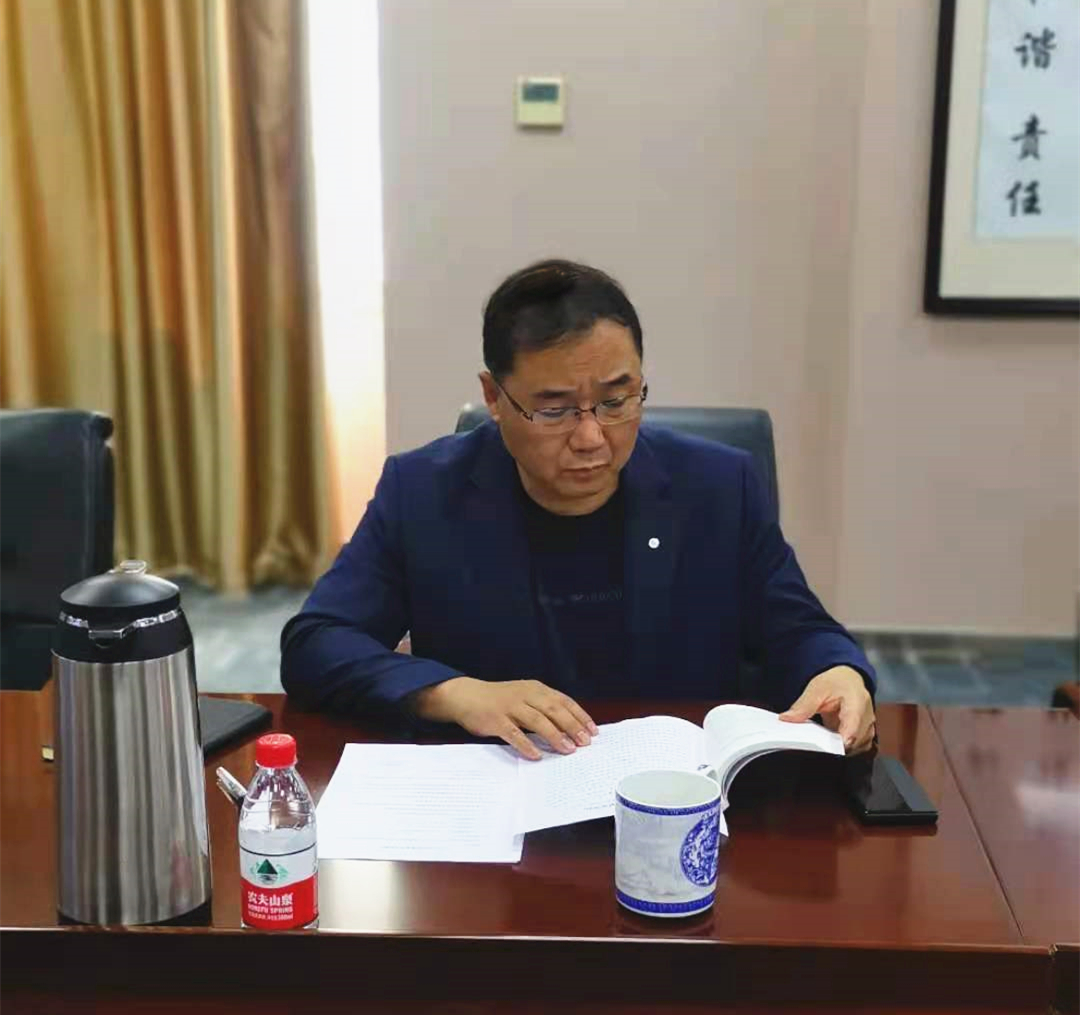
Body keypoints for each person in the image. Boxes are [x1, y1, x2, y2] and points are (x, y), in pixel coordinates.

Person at [281, 260, 876, 759]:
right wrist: (455, 693)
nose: (592, 438)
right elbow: (317, 643)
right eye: (554, 410)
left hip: (675, 796)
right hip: (500, 795)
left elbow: (800, 630)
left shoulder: (719, 487)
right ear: (494, 397)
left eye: (617, 401)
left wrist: (840, 673)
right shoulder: (422, 492)